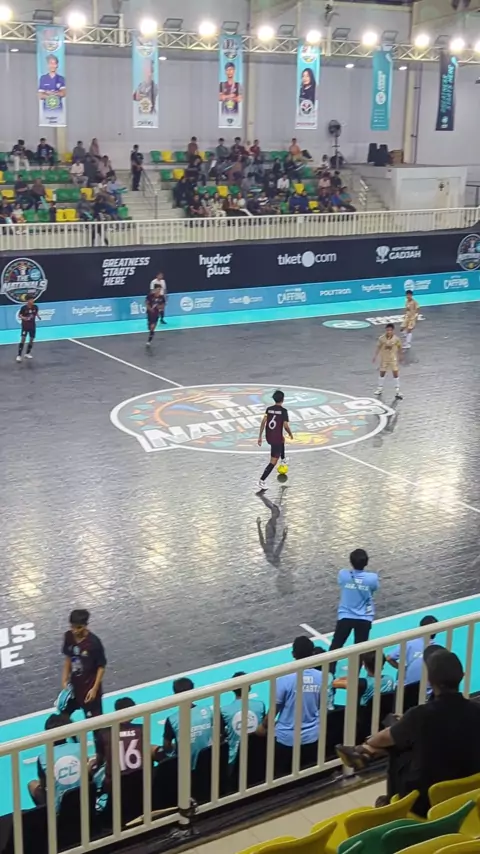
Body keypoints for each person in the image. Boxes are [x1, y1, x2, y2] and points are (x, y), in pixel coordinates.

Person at [336, 649, 480, 817]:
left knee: (397, 746)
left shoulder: (420, 715)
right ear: (462, 676)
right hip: (468, 790)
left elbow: (382, 739)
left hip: (425, 800)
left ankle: (367, 756)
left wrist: (368, 744)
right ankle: (366, 754)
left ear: (430, 680)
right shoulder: (476, 709)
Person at [257, 636, 323, 776]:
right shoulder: (321, 677)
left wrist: (263, 726)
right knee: (309, 774)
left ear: (293, 654)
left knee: (282, 775)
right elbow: (320, 705)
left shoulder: (284, 679)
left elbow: (273, 711)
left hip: (286, 739)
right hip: (312, 736)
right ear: (313, 653)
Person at [91, 697, 160, 793]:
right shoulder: (141, 729)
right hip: (141, 782)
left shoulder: (104, 733)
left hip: (116, 786)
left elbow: (99, 761)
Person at [61, 609, 106, 755]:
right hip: (75, 688)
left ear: (85, 625)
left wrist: (94, 689)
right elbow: (68, 658)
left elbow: (101, 667)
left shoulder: (94, 643)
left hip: (89, 691)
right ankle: (72, 739)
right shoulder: (69, 637)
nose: (75, 630)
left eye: (78, 627)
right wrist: (64, 679)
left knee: (96, 726)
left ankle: (101, 756)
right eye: (72, 627)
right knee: (63, 714)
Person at [328, 549, 379, 674]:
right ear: (366, 562)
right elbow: (374, 589)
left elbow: (341, 582)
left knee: (336, 645)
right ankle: (355, 676)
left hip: (345, 616)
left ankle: (329, 673)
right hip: (364, 617)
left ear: (351, 562)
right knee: (360, 650)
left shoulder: (343, 575)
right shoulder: (372, 578)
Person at [28, 714, 82, 811]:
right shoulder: (80, 748)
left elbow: (44, 786)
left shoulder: (43, 757)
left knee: (32, 784)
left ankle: (46, 815)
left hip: (60, 810)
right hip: (84, 800)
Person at [163, 677, 215, 769]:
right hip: (210, 763)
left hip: (187, 769)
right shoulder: (208, 711)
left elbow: (166, 747)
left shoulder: (172, 720)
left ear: (175, 695)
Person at [221, 672, 266, 766]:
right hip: (260, 754)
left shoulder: (224, 711)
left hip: (234, 759)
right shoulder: (260, 705)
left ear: (232, 689)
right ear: (249, 687)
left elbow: (220, 734)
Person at [386, 616, 438, 687]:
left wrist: (404, 669)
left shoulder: (410, 643)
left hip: (408, 688)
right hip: (428, 689)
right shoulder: (438, 649)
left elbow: (389, 658)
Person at [257, 389, 293, 491]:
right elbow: (285, 426)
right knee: (273, 461)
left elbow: (263, 422)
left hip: (269, 436)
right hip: (276, 439)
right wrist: (290, 433)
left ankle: (283, 459)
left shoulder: (268, 409)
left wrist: (260, 437)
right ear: (283, 399)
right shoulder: (283, 411)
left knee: (282, 439)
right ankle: (262, 480)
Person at [373, 322, 403, 399]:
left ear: (393, 330)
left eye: (390, 330)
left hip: (393, 359)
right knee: (382, 373)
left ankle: (397, 391)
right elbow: (378, 347)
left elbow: (399, 347)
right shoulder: (381, 338)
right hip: (384, 359)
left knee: (395, 373)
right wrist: (375, 356)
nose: (388, 331)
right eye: (387, 330)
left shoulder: (396, 339)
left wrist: (400, 356)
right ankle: (379, 389)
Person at [38, 54, 66, 119]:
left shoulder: (61, 78)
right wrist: (55, 94)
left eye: (54, 63)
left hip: (58, 110)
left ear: (57, 65)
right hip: (47, 111)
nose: (52, 65)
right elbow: (40, 95)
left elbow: (63, 93)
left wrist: (49, 93)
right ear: (48, 65)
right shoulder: (43, 78)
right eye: (51, 63)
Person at [16, 295, 40, 362]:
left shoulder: (35, 307)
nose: (32, 301)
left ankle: (27, 353)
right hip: (25, 326)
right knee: (23, 339)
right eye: (31, 299)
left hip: (32, 326)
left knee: (31, 340)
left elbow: (35, 313)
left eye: (33, 299)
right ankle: (19, 355)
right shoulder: (24, 308)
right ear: (28, 301)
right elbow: (19, 315)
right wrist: (24, 318)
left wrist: (38, 316)